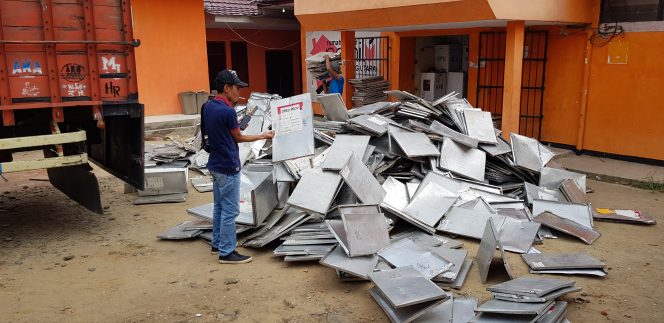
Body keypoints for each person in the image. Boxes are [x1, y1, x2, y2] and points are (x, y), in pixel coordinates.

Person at [204, 69, 274, 264]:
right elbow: (238, 137)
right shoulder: (226, 111)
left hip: (215, 164)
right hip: (228, 166)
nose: (239, 92)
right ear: (227, 88)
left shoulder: (209, 106)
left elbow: (228, 130)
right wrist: (263, 135)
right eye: (236, 88)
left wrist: (236, 113)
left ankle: (217, 243)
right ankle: (227, 252)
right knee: (230, 211)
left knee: (219, 207)